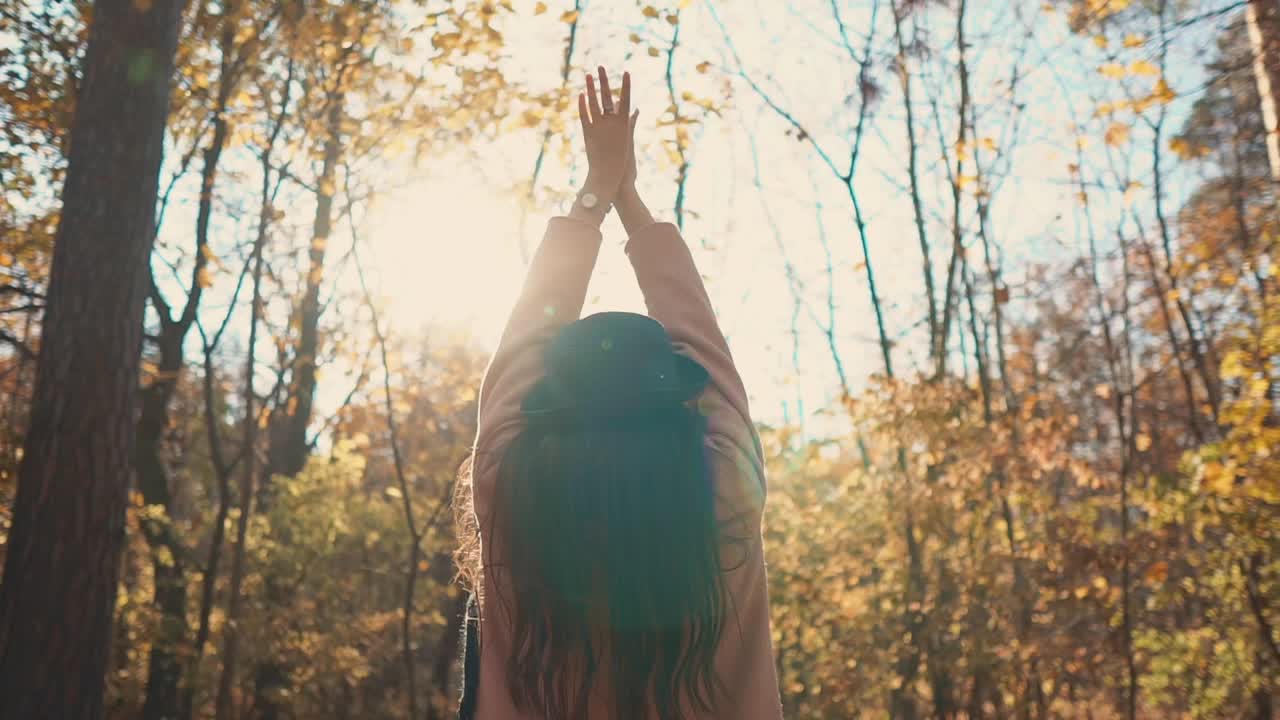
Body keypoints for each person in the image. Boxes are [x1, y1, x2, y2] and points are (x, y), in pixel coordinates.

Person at [455, 66, 782, 720]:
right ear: (674, 402)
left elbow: (522, 342)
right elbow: (703, 342)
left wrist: (595, 194)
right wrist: (632, 201)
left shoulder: (514, 490)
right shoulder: (721, 495)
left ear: (551, 403)